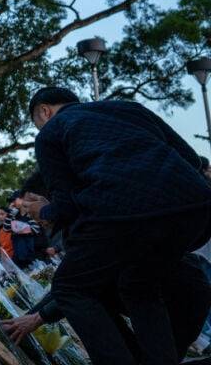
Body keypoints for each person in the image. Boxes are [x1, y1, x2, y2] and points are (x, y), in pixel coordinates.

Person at [22, 86, 211, 365]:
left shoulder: (51, 132)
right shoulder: (127, 108)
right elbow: (192, 160)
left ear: (44, 111)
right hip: (195, 209)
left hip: (123, 212)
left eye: (37, 123)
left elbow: (65, 206)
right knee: (137, 284)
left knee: (70, 287)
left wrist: (43, 210)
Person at [2, 253, 211, 364]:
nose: (27, 209)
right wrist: (28, 317)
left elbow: (83, 287)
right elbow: (69, 284)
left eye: (30, 202)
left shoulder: (98, 217)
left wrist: (38, 317)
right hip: (149, 288)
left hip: (183, 296)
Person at [4, 191, 41, 268]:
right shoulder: (14, 215)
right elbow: (6, 228)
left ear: (22, 199)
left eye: (14, 200)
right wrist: (11, 213)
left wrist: (16, 228)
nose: (12, 203)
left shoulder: (31, 213)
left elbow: (35, 229)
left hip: (30, 256)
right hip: (17, 255)